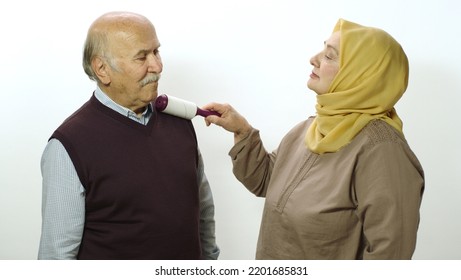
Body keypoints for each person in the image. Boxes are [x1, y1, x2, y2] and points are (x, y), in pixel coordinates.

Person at [203, 19, 424, 259]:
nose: (314, 58)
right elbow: (267, 180)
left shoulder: (382, 149)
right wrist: (243, 131)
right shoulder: (311, 128)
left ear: (360, 74)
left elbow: (390, 254)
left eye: (330, 56)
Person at [38, 11, 219, 260]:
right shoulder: (68, 146)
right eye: (141, 57)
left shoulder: (180, 124)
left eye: (156, 51)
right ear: (102, 69)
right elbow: (56, 256)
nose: (157, 66)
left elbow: (202, 211)